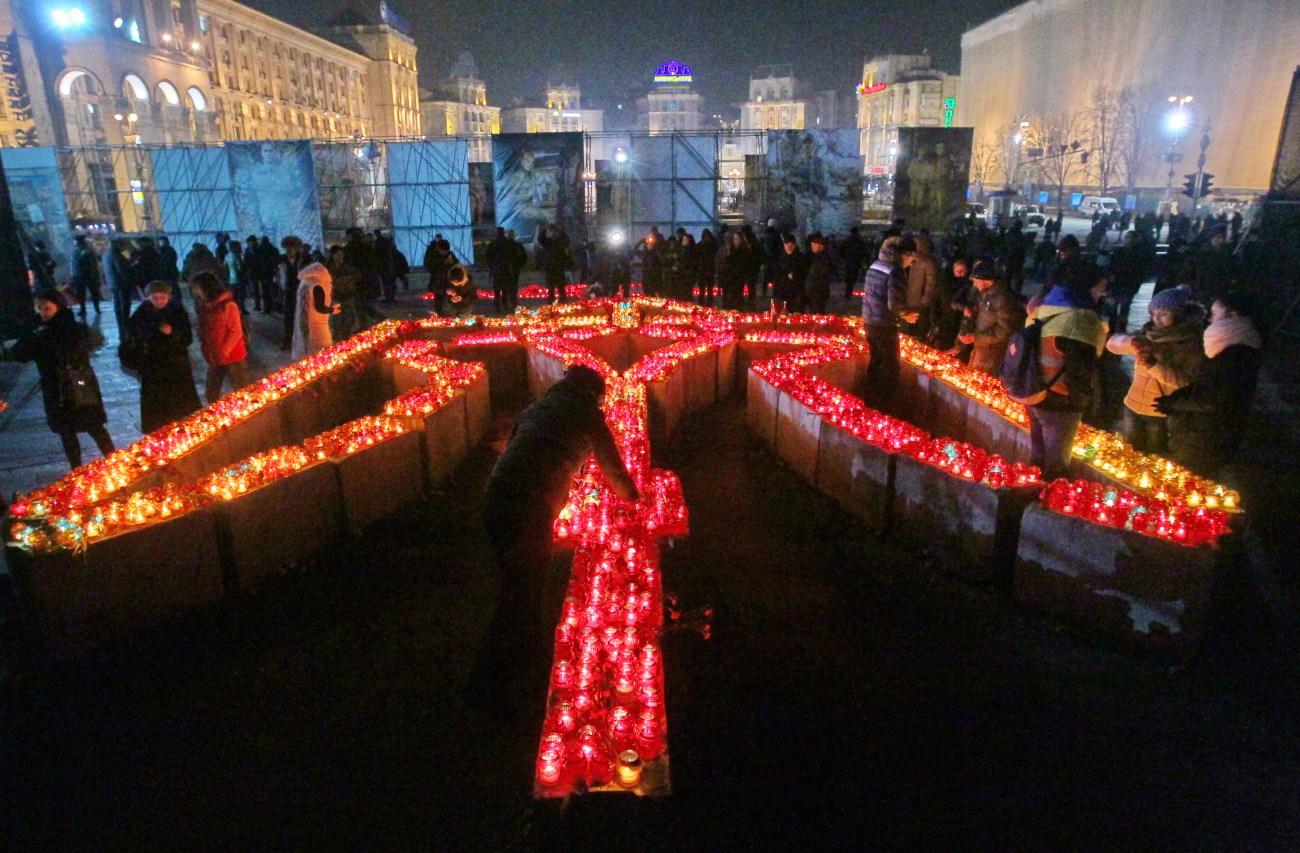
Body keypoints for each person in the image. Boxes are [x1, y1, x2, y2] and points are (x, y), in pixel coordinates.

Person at [470, 365, 641, 714]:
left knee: (515, 587)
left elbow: (520, 447)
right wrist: (636, 500)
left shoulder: (538, 407)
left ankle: (508, 674)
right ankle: (500, 687)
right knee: (524, 596)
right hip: (530, 508)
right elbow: (614, 470)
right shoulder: (588, 415)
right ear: (594, 395)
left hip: (495, 496)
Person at [1155, 291, 1263, 478]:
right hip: (1198, 431)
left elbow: (1217, 399)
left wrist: (1176, 404)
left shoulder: (1237, 354)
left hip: (1209, 437)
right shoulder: (1225, 346)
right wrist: (1179, 397)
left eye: (1214, 313)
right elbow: (1205, 383)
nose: (1209, 319)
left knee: (1190, 480)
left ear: (1233, 315)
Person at [11, 291, 115, 470]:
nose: (43, 313)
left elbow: (82, 347)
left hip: (78, 383)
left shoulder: (71, 328)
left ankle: (115, 461)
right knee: (66, 431)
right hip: (54, 388)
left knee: (94, 425)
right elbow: (19, 353)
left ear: (58, 307)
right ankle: (76, 469)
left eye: (47, 308)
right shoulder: (37, 330)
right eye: (40, 309)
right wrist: (34, 334)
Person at [1024, 275, 1108, 480]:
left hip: (1033, 391)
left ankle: (1028, 494)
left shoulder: (1044, 309)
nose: (1104, 292)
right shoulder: (1080, 319)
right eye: (1100, 287)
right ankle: (1046, 501)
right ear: (1086, 288)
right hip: (1060, 398)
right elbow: (1082, 365)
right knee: (1056, 463)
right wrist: (1084, 404)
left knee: (1038, 455)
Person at [1106, 286, 1204, 455]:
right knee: (1129, 452)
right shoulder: (1148, 333)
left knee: (1154, 455)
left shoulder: (1189, 343)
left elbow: (1184, 381)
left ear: (1178, 313)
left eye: (1163, 314)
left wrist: (1153, 365)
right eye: (1153, 314)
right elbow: (1112, 345)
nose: (1157, 319)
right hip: (1133, 403)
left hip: (1158, 410)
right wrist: (1131, 341)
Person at [128, 281, 202, 433]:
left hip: (176, 364)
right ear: (148, 297)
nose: (159, 301)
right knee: (158, 406)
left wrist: (173, 333)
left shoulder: (177, 312)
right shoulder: (141, 314)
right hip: (153, 367)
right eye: (155, 297)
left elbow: (187, 338)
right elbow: (132, 338)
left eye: (163, 297)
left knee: (181, 403)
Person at [861, 236, 919, 413]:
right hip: (884, 324)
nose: (912, 262)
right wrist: (906, 314)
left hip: (869, 320)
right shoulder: (895, 271)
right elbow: (894, 304)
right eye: (911, 258)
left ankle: (870, 402)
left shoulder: (876, 264)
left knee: (876, 361)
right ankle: (883, 407)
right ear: (904, 255)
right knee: (889, 366)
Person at [191, 271, 248, 404]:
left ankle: (247, 416)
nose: (195, 291)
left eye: (196, 288)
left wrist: (224, 351)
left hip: (232, 356)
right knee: (211, 392)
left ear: (206, 287)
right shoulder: (205, 306)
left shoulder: (228, 305)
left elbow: (236, 332)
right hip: (214, 356)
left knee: (241, 390)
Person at [959, 259, 1025, 375]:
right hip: (981, 350)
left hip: (993, 355)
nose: (974, 284)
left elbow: (1005, 331)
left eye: (976, 280)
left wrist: (976, 338)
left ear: (987, 280)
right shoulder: (986, 294)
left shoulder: (1003, 299)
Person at [291, 262, 339, 360]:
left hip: (306, 323)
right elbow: (320, 307)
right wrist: (333, 309)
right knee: (320, 351)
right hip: (317, 327)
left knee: (306, 350)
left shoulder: (305, 282)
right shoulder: (318, 285)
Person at [902, 233, 941, 340]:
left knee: (921, 331)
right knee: (912, 331)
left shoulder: (928, 262)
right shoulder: (911, 260)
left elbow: (931, 284)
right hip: (911, 300)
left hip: (920, 303)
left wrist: (925, 301)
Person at [278, 236, 310, 350]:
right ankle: (288, 340)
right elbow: (278, 276)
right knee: (288, 317)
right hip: (288, 291)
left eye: (292, 248)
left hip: (301, 291)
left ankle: (303, 340)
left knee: (303, 316)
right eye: (287, 248)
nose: (289, 250)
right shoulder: (281, 260)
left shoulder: (304, 259)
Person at [104, 238, 138, 335]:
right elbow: (122, 270)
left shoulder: (106, 255)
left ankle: (121, 325)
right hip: (121, 284)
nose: (123, 247)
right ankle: (125, 324)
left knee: (117, 305)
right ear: (118, 245)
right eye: (122, 245)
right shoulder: (116, 255)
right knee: (124, 305)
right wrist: (130, 280)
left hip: (112, 284)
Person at [772, 233, 807, 315]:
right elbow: (776, 275)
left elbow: (804, 273)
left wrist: (795, 276)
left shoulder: (800, 258)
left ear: (795, 245)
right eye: (787, 244)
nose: (789, 247)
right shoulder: (779, 258)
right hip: (782, 292)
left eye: (791, 245)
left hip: (796, 292)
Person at [70, 235, 103, 320]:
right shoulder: (76, 252)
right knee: (81, 294)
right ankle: (83, 309)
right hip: (79, 277)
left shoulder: (87, 251)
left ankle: (96, 308)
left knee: (93, 293)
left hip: (88, 276)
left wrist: (93, 275)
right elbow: (73, 265)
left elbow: (93, 264)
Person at [804, 233, 833, 314]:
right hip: (811, 291)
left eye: (815, 245)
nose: (812, 246)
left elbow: (825, 276)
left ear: (821, 246)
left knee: (818, 312)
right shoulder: (811, 256)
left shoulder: (824, 259)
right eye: (811, 245)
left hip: (819, 292)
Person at [486, 227, 512, 313]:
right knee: (505, 290)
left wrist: (491, 267)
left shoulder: (493, 244)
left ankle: (498, 307)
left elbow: (488, 257)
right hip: (505, 269)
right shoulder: (508, 243)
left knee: (497, 290)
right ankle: (505, 306)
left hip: (497, 269)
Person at [839, 226, 869, 301]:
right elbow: (864, 252)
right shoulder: (859, 241)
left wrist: (843, 259)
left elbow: (840, 252)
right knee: (852, 279)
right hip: (856, 262)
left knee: (848, 279)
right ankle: (848, 293)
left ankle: (847, 293)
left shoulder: (846, 241)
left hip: (848, 262)